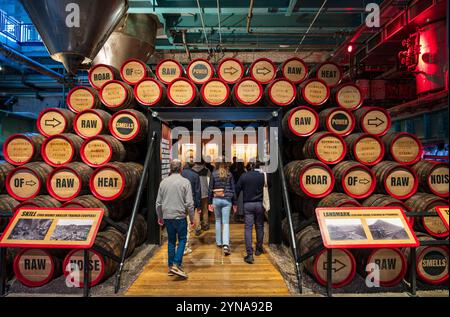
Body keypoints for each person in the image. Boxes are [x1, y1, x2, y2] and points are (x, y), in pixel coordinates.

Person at [156, 159, 195, 279]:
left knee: (171, 241)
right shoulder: (185, 182)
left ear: (170, 169)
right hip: (180, 216)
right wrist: (192, 218)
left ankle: (170, 266)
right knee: (183, 239)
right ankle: (176, 264)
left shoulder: (163, 182)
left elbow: (158, 203)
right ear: (181, 169)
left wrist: (160, 217)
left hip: (167, 216)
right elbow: (189, 203)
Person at [235, 161, 270, 264]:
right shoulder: (263, 176)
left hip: (248, 204)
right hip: (260, 204)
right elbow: (270, 186)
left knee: (248, 228)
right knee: (259, 226)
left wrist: (235, 201)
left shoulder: (244, 176)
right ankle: (258, 249)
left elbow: (237, 189)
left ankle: (250, 254)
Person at [208, 161, 237, 255]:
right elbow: (233, 188)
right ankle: (225, 244)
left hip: (216, 200)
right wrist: (235, 202)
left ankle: (219, 242)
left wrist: (209, 202)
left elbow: (210, 188)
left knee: (217, 220)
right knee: (226, 222)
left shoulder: (213, 174)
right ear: (226, 165)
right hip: (227, 200)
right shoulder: (229, 174)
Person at [181, 160, 201, 254]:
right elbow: (197, 192)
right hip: (190, 202)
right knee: (188, 224)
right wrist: (198, 205)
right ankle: (184, 246)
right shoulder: (195, 175)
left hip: (179, 201)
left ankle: (179, 243)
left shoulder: (179, 174)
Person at [192, 159, 211, 235]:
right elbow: (209, 182)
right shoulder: (207, 170)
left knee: (197, 209)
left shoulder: (192, 170)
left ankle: (197, 228)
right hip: (204, 192)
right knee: (205, 209)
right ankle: (205, 225)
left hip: (195, 192)